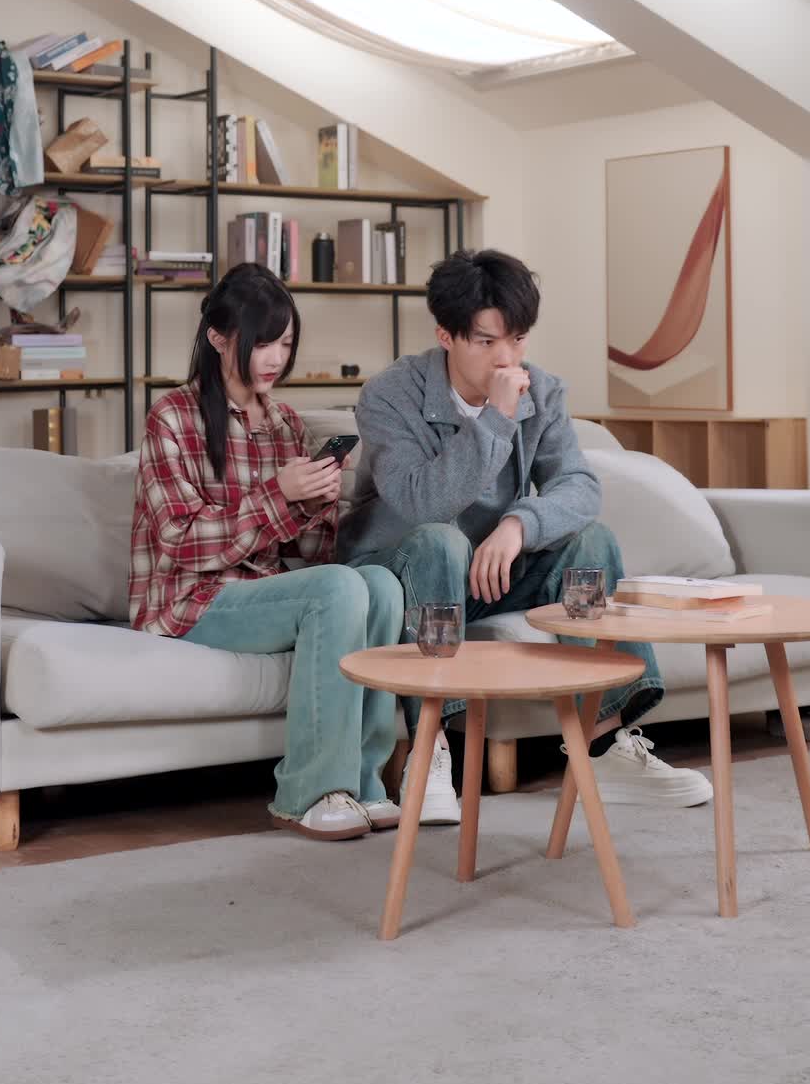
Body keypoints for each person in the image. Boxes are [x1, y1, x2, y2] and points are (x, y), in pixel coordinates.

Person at [339, 248, 713, 822]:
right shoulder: (391, 394)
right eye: (487, 341)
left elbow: (579, 486)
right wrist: (495, 418)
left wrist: (519, 524)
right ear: (446, 336)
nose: (507, 358)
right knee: (441, 541)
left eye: (517, 339)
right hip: (401, 572)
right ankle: (429, 752)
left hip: (486, 574)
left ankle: (605, 747)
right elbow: (422, 503)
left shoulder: (544, 392)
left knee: (591, 543)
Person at [131, 263, 404, 842]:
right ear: (218, 337)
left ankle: (363, 782)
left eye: (285, 343)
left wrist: (318, 502)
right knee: (339, 587)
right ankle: (308, 793)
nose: (276, 358)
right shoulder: (172, 417)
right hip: (189, 600)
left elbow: (312, 554)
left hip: (260, 593)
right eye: (262, 343)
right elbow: (180, 542)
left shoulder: (284, 423)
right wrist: (279, 494)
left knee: (379, 583)